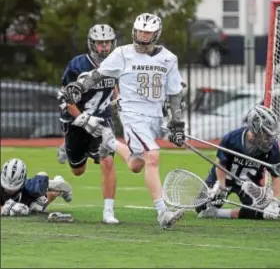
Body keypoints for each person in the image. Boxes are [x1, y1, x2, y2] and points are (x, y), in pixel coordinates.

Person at [61, 13, 186, 229]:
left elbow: (175, 93)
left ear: (156, 34)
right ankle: (162, 213)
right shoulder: (122, 53)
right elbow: (99, 74)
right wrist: (79, 87)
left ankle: (110, 141)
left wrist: (177, 124)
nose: (143, 36)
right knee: (153, 156)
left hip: (154, 115)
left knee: (137, 164)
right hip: (132, 114)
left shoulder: (169, 58)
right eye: (140, 31)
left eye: (147, 32)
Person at [57, 23, 121, 224]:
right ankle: (66, 149)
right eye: (99, 43)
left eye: (107, 43)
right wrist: (84, 120)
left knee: (107, 161)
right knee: (78, 171)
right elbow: (66, 100)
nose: (103, 47)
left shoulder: (118, 62)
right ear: (91, 44)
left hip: (103, 119)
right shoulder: (77, 65)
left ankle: (108, 211)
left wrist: (118, 103)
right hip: (76, 121)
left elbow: (115, 85)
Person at [196, 105, 280, 220]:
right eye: (266, 134)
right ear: (255, 129)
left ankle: (219, 213)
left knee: (257, 213)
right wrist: (221, 186)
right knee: (201, 206)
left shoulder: (272, 148)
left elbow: (276, 176)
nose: (269, 138)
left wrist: (274, 202)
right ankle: (211, 208)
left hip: (249, 186)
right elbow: (220, 164)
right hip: (224, 178)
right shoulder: (232, 139)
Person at [1, 158, 72, 216]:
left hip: (27, 195)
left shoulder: (29, 188)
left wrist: (60, 186)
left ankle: (58, 187)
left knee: (36, 207)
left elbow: (43, 183)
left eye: (14, 187)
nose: (10, 189)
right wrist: (4, 209)